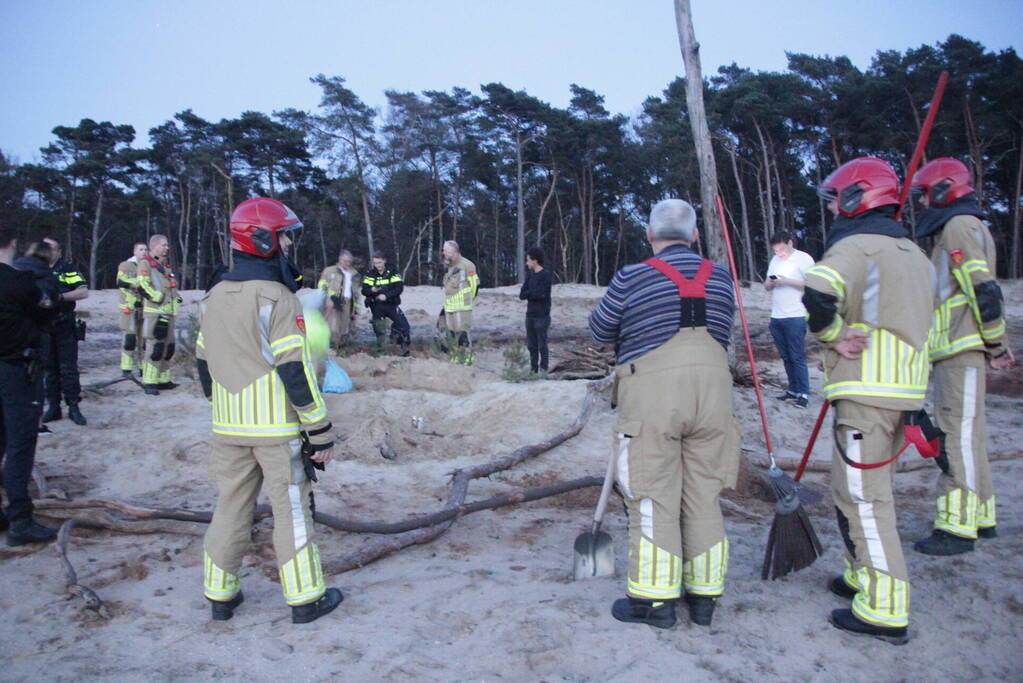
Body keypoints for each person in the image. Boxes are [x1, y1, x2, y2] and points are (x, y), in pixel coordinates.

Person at [589, 199, 739, 629]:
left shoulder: (633, 276)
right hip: (714, 397)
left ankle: (655, 602)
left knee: (652, 496)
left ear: (650, 236)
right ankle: (705, 595)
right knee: (703, 495)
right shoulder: (723, 278)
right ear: (695, 236)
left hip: (654, 398)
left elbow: (600, 331)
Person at [804, 157, 934, 644]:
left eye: (838, 198)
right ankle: (860, 575)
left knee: (865, 499)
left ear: (858, 197)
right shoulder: (916, 255)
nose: (835, 207)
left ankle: (885, 608)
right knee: (853, 489)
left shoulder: (856, 246)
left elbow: (818, 289)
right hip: (905, 394)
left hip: (866, 392)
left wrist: (834, 335)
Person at [195, 197, 342, 624]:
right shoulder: (278, 298)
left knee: (229, 507)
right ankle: (305, 599)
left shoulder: (212, 296)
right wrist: (320, 433)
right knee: (292, 510)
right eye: (283, 237)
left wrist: (225, 407)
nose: (288, 246)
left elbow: (203, 366)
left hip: (226, 427)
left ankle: (219, 595)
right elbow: (295, 372)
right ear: (263, 240)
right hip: (276, 430)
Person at [910, 157, 1014, 555]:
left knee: (955, 437)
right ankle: (982, 516)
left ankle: (957, 526)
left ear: (945, 188)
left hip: (960, 348)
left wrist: (996, 344)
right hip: (957, 348)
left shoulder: (957, 227)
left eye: (925, 193)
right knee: (970, 437)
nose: (922, 203)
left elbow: (983, 290)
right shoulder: (962, 226)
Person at [0, 227, 60, 545]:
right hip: (17, 370)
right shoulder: (20, 282)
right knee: (20, 444)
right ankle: (20, 519)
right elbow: (46, 310)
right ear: (12, 242)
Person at [40, 237, 88, 426]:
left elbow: (83, 291)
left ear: (59, 251)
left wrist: (61, 296)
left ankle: (74, 406)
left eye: (51, 248)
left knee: (68, 369)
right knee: (49, 369)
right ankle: (54, 406)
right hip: (43, 325)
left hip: (64, 324)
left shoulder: (67, 269)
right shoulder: (36, 269)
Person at [765, 231, 815, 408]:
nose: (779, 253)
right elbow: (766, 285)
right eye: (776, 251)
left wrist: (787, 281)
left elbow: (812, 284)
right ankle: (793, 389)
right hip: (777, 315)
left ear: (790, 243)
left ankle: (803, 392)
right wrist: (771, 283)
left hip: (796, 314)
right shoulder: (775, 261)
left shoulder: (804, 259)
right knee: (786, 356)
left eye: (782, 249)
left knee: (797, 356)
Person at [136, 234, 182, 395]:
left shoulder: (166, 267)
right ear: (154, 246)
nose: (167, 248)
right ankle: (149, 382)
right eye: (164, 245)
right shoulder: (145, 263)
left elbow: (172, 289)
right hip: (154, 313)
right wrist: (159, 298)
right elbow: (142, 285)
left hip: (169, 314)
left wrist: (176, 302)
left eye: (167, 245)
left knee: (168, 348)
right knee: (154, 347)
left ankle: (164, 380)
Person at [361, 253, 411, 356]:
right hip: (376, 305)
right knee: (379, 329)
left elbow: (399, 288)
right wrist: (372, 290)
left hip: (391, 304)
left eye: (379, 262)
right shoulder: (370, 274)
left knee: (403, 325)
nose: (377, 265)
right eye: (375, 263)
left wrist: (386, 295)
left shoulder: (393, 272)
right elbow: (364, 290)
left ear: (384, 261)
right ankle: (381, 350)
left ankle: (402, 346)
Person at [440, 240, 479, 365]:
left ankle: (467, 358)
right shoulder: (450, 266)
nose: (443, 253)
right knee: (452, 334)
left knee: (463, 333)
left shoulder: (467, 265)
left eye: (445, 250)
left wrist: (468, 299)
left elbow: (474, 285)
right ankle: (456, 357)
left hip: (462, 307)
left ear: (453, 251)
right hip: (450, 306)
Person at [317, 250, 362, 350]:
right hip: (332, 302)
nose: (346, 263)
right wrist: (329, 296)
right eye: (344, 261)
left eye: (349, 261)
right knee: (332, 326)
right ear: (339, 259)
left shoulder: (355, 274)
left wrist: (356, 310)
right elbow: (321, 285)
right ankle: (328, 347)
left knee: (344, 327)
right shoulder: (330, 271)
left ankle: (339, 347)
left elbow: (357, 294)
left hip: (347, 303)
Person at [518, 247, 553, 374]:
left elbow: (541, 294)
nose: (527, 263)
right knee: (531, 345)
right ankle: (533, 370)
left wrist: (530, 293)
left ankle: (544, 370)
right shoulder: (530, 275)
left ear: (535, 261)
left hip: (542, 315)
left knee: (542, 345)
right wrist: (532, 293)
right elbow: (522, 294)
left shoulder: (546, 275)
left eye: (528, 260)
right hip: (530, 315)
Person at [116, 242, 147, 377]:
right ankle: (126, 368)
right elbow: (121, 281)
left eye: (146, 249)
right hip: (129, 308)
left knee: (143, 340)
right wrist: (137, 284)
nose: (144, 252)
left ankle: (142, 367)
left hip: (144, 308)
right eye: (141, 249)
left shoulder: (148, 266)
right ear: (134, 251)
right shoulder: (126, 265)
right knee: (129, 339)